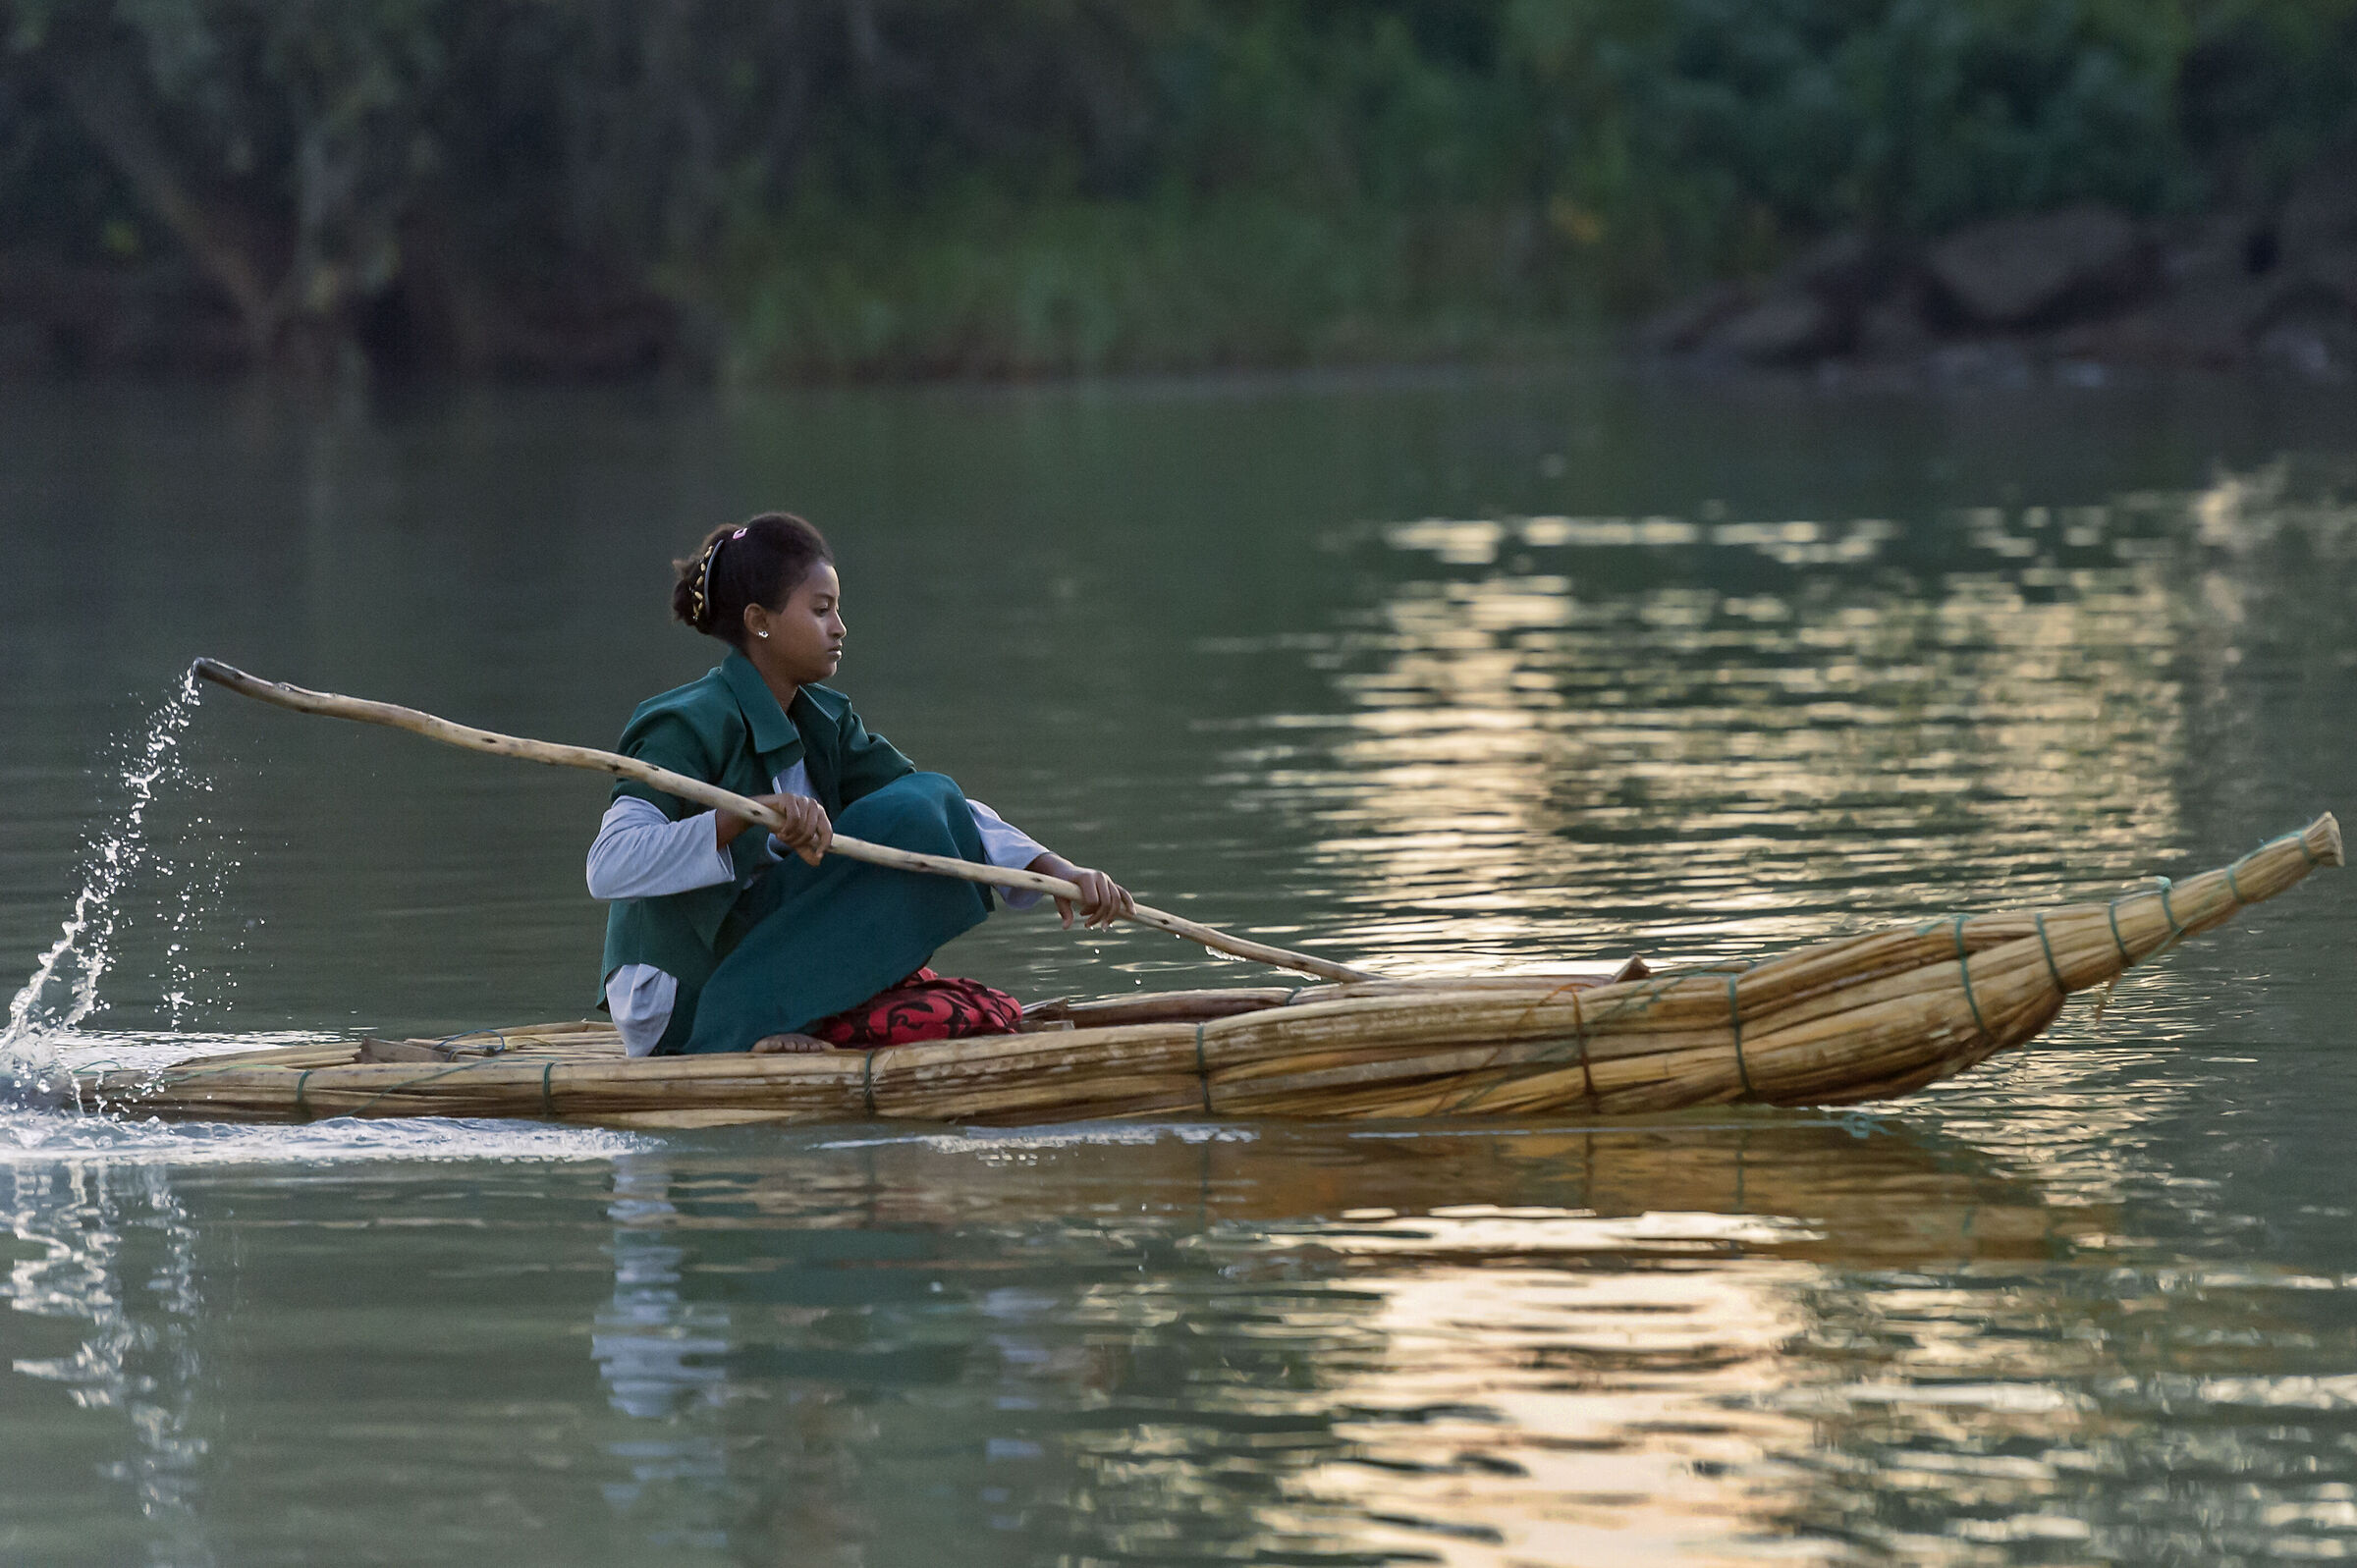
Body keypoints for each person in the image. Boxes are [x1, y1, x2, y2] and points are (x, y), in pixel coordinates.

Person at [586, 513, 1134, 1056]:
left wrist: (1057, 871)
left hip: (743, 957)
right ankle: (747, 1027)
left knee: (918, 805)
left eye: (837, 610)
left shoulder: (823, 719)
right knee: (907, 819)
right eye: (821, 610)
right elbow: (608, 865)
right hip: (673, 994)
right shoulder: (684, 723)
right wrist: (743, 816)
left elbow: (935, 804)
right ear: (760, 620)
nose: (839, 627)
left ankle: (783, 1011)